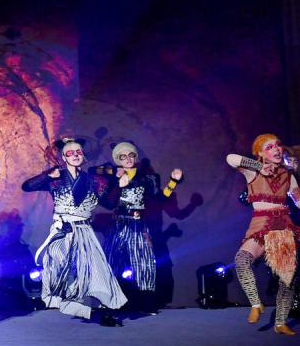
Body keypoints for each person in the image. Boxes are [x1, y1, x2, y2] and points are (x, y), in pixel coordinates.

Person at [227, 133, 300, 334]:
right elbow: (231, 158)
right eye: (269, 147)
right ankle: (256, 303)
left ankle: (280, 323)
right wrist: (259, 166)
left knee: (287, 279)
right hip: (260, 224)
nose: (276, 149)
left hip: (282, 226)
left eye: (277, 145)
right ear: (261, 153)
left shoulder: (289, 176)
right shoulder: (253, 172)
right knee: (242, 260)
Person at [22, 136, 126, 326]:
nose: (75, 155)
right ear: (64, 157)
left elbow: (110, 204)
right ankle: (68, 300)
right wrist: (47, 176)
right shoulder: (56, 178)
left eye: (78, 152)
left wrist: (120, 186)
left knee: (97, 269)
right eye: (70, 153)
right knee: (58, 260)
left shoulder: (95, 180)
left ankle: (106, 309)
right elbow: (27, 187)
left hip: (84, 230)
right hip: (62, 230)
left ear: (83, 155)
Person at [99, 141, 182, 314]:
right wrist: (118, 185)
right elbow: (108, 204)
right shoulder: (112, 177)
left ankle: (146, 302)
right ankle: (110, 301)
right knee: (112, 261)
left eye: (131, 155)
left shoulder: (146, 177)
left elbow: (159, 197)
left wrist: (173, 181)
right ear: (118, 159)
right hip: (118, 224)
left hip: (137, 223)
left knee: (144, 262)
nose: (128, 159)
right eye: (123, 156)